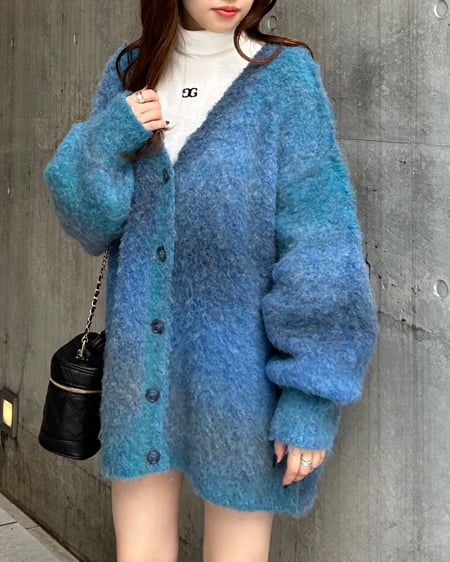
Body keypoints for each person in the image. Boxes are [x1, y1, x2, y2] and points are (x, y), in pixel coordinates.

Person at [43, 0, 378, 560]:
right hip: (139, 377)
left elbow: (321, 242)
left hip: (241, 385)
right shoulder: (130, 70)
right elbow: (88, 224)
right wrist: (107, 139)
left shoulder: (283, 79)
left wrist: (310, 396)